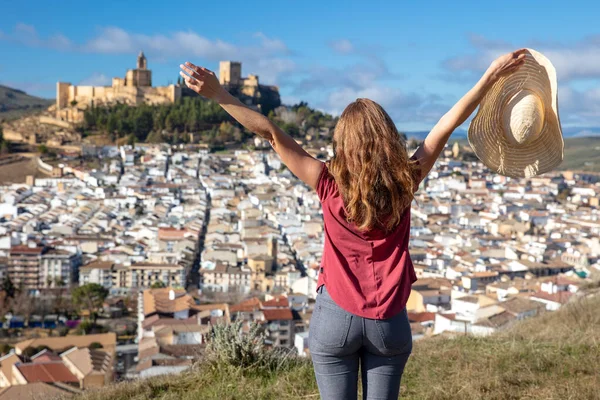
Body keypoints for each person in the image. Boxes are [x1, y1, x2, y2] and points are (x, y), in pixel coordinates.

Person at [179, 48, 526, 400]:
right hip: (389, 321)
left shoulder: (326, 180)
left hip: (335, 317)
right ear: (388, 136)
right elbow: (446, 125)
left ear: (342, 141)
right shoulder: (406, 179)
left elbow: (269, 132)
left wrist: (219, 95)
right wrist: (490, 77)